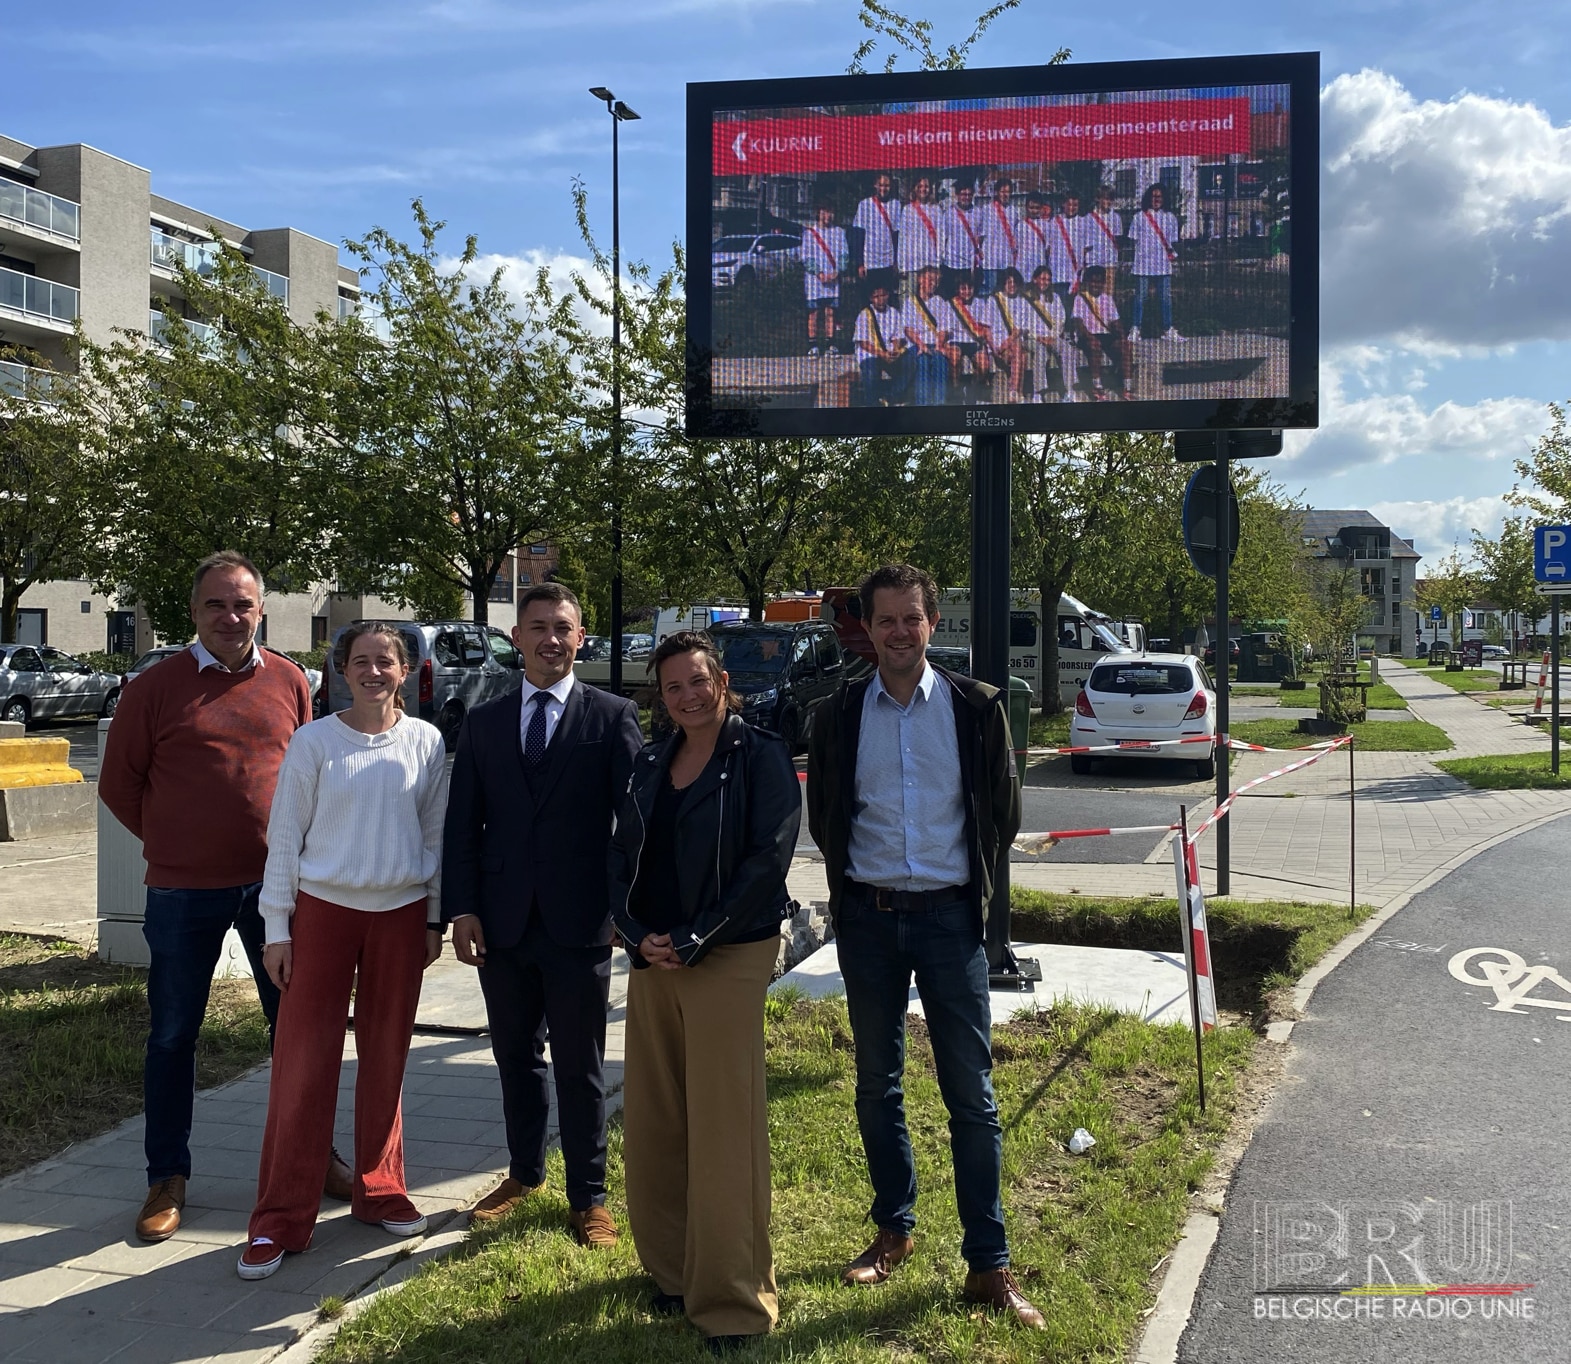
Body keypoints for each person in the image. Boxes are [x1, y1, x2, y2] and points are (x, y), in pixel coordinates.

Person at [805, 564, 1040, 1331]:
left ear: (933, 624)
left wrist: (962, 895)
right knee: (877, 1085)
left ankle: (988, 1266)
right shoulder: (838, 711)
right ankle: (892, 1230)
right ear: (865, 630)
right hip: (869, 921)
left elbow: (999, 817)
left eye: (912, 619)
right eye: (885, 622)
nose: (899, 633)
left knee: (971, 1097)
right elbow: (828, 814)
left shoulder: (976, 709)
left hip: (947, 922)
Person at [100, 550, 332, 1245]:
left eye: (242, 605)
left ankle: (313, 1159)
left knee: (296, 1032)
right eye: (215, 605)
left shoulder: (291, 681)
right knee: (173, 1037)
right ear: (194, 612)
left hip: (276, 895)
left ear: (260, 609)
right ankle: (167, 1176)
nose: (230, 617)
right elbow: (119, 786)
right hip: (181, 892)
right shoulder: (153, 688)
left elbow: (303, 779)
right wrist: (175, 842)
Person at [237, 623, 448, 1280]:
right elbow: (284, 842)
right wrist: (277, 928)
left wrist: (433, 919)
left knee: (386, 1059)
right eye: (360, 661)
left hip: (400, 914)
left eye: (385, 661)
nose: (373, 672)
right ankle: (278, 1219)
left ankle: (380, 1188)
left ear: (406, 669)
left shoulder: (427, 742)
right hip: (321, 915)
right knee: (302, 1068)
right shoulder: (314, 741)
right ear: (341, 671)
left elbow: (435, 837)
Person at [608, 631, 800, 1353]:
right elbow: (620, 855)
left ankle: (733, 1302)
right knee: (656, 1120)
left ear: (722, 681)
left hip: (727, 953)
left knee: (723, 1132)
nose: (687, 696)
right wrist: (636, 932)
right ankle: (672, 1272)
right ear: (661, 698)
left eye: (697, 681)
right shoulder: (650, 761)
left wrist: (697, 936)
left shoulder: (759, 756)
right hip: (656, 957)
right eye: (672, 687)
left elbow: (766, 861)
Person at [442, 583, 643, 1245]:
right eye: (537, 627)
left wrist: (624, 908)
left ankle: (589, 1196)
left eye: (562, 627)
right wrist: (462, 908)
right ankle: (524, 1173)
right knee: (513, 1058)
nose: (550, 639)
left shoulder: (611, 716)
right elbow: (461, 824)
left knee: (580, 1066)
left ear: (580, 637)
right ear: (517, 638)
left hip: (580, 921)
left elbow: (634, 825)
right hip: (501, 922)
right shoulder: (484, 720)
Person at [1128, 183, 1184, 341]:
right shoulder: (1138, 217)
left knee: (1165, 298)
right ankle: (1135, 328)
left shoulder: (1171, 217)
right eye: (1153, 196)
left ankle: (1168, 329)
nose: (1156, 199)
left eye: (1159, 196)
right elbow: (1133, 241)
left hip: (1163, 264)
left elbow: (1173, 242)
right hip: (1142, 264)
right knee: (1140, 298)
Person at [1068, 265, 1131, 399]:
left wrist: (1123, 336)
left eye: (1099, 282)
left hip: (1105, 335)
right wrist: (1089, 337)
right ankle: (1097, 386)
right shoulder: (1080, 298)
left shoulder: (1107, 298)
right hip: (1087, 336)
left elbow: (1115, 321)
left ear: (1103, 283)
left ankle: (1127, 386)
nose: (1096, 285)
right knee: (1095, 345)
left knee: (1125, 346)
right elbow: (1078, 322)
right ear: (1087, 282)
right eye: (1093, 281)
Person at [900, 263, 956, 406]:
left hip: (936, 342)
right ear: (919, 279)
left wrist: (939, 344)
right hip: (916, 344)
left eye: (936, 281)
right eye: (930, 279)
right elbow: (908, 329)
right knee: (922, 361)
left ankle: (939, 403)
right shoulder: (910, 302)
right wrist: (921, 345)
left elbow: (945, 327)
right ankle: (922, 405)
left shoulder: (940, 302)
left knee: (941, 361)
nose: (933, 284)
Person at [801, 200, 849, 357]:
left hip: (833, 278)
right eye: (824, 211)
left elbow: (844, 254)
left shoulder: (839, 232)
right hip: (815, 280)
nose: (827, 215)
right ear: (818, 213)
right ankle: (813, 346)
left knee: (831, 312)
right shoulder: (809, 233)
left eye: (830, 212)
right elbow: (806, 257)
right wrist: (819, 273)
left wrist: (837, 272)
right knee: (814, 312)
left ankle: (831, 344)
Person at [854, 282, 910, 406]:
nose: (880, 299)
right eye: (876, 297)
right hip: (870, 353)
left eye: (883, 295)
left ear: (888, 295)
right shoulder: (864, 314)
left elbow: (898, 336)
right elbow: (863, 343)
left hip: (889, 352)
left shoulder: (894, 312)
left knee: (910, 363)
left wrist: (895, 350)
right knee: (870, 372)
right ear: (871, 298)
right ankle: (872, 403)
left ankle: (891, 397)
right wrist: (881, 354)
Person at [945, 273, 998, 403]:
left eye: (970, 288)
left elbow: (984, 327)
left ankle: (972, 388)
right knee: (954, 357)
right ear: (958, 289)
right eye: (963, 288)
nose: (967, 292)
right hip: (956, 339)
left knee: (984, 365)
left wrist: (987, 346)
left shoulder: (980, 303)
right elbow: (946, 328)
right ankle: (956, 389)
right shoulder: (951, 304)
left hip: (974, 340)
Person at [854, 172, 901, 298]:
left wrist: (896, 260)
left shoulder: (896, 205)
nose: (883, 189)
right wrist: (860, 263)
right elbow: (859, 235)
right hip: (870, 261)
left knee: (886, 298)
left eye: (886, 185)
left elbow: (897, 236)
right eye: (880, 185)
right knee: (869, 298)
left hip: (888, 261)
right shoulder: (864, 205)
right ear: (875, 185)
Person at [896, 176, 943, 296]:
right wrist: (901, 265)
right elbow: (902, 238)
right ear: (915, 189)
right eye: (920, 186)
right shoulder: (907, 209)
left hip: (929, 263)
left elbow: (941, 237)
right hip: (911, 263)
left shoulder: (936, 209)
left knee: (928, 300)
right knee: (909, 299)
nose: (923, 189)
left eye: (926, 186)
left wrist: (938, 262)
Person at [940, 183, 985, 299]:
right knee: (951, 298)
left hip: (969, 265)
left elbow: (980, 237)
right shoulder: (948, 213)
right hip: (951, 263)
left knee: (969, 299)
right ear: (957, 195)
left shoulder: (978, 212)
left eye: (970, 194)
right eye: (963, 194)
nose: (967, 197)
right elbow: (943, 238)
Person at [978, 178, 1021, 296]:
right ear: (997, 192)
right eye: (1002, 191)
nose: (1005, 194)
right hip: (990, 259)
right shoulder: (986, 209)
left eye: (1008, 192)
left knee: (1005, 294)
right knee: (990, 291)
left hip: (1007, 260)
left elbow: (1016, 235)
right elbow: (979, 234)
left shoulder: (1014, 211)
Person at [1047, 191, 1087, 313]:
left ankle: (1071, 330)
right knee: (1059, 306)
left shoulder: (1083, 222)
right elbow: (1048, 246)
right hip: (1057, 271)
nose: (1071, 208)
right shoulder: (1054, 221)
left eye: (1075, 205)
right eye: (1068, 204)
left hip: (1075, 272)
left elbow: (1086, 248)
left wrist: (1082, 269)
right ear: (1063, 204)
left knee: (1074, 307)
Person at [1083, 184, 1124, 298]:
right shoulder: (1088, 218)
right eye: (1105, 198)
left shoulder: (1116, 218)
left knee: (1108, 296)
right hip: (1093, 262)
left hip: (1109, 262)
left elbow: (1117, 240)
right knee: (1091, 296)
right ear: (1098, 199)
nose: (1108, 201)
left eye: (1110, 199)